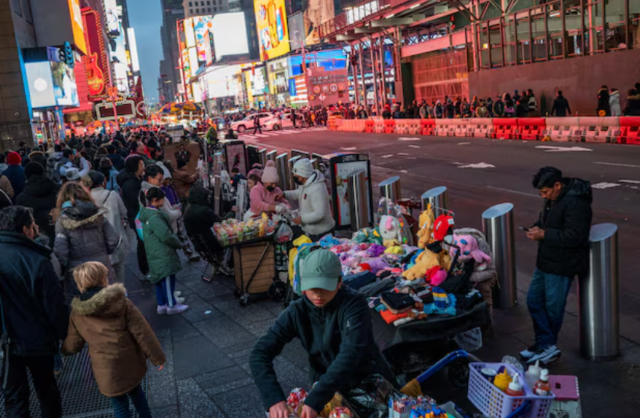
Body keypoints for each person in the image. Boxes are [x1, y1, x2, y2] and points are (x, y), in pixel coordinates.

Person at [250, 249, 397, 418]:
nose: (318, 294)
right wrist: (273, 398)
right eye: (312, 288)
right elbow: (259, 353)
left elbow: (351, 353)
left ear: (339, 282)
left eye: (325, 287)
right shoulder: (297, 311)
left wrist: (316, 398)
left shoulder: (355, 304)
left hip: (368, 382)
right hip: (327, 387)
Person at [61, 262, 165, 418]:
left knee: (119, 404)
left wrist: (63, 350)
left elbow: (74, 343)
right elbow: (142, 332)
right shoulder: (122, 302)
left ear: (80, 283)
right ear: (103, 279)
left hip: (105, 368)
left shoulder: (77, 312)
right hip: (129, 360)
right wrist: (157, 357)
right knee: (136, 392)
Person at [0, 206, 69, 418]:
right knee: (47, 391)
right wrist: (65, 335)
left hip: (5, 343)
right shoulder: (37, 260)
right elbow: (54, 305)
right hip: (37, 339)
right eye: (33, 224)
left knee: (15, 399)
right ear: (26, 230)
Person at [521, 167, 592, 365]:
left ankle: (546, 346)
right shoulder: (553, 199)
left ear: (557, 185)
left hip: (562, 264)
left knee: (553, 308)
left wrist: (544, 234)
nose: (544, 196)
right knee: (534, 301)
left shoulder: (576, 203)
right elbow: (547, 221)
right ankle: (544, 344)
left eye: (545, 192)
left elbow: (576, 236)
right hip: (545, 260)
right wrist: (537, 226)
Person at [53, 182, 120, 297]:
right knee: (108, 303)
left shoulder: (62, 221)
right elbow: (113, 239)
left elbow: (61, 252)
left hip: (79, 272)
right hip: (102, 266)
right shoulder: (99, 215)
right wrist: (103, 252)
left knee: (84, 307)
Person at [138, 187, 189, 315]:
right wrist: (177, 243)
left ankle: (162, 304)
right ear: (156, 200)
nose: (164, 201)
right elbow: (165, 235)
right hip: (162, 252)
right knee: (167, 277)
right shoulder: (155, 216)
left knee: (159, 279)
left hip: (154, 251)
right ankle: (171, 305)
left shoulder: (147, 214)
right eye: (162, 199)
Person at [87, 171, 130, 283]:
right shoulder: (112, 195)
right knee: (119, 269)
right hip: (116, 240)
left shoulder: (86, 199)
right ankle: (121, 294)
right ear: (103, 182)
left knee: (102, 275)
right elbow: (124, 213)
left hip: (97, 243)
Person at [156, 162, 199, 263]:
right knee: (172, 235)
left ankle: (189, 252)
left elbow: (174, 195)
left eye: (168, 179)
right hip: (169, 212)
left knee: (181, 233)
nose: (168, 181)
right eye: (166, 180)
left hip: (176, 209)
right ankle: (174, 256)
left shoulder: (169, 186)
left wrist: (177, 204)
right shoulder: (160, 189)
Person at [285, 159, 334, 241]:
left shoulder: (317, 189)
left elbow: (319, 213)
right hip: (310, 232)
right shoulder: (306, 184)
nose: (295, 178)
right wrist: (285, 194)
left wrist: (302, 219)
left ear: (303, 175)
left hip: (321, 235)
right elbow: (300, 194)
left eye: (296, 176)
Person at [117, 156, 148, 277]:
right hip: (137, 217)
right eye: (141, 165)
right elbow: (135, 202)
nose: (143, 167)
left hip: (138, 215)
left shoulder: (136, 179)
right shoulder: (130, 184)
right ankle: (145, 269)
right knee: (142, 243)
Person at [16, 162, 59, 244]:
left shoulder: (20, 198)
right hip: (60, 235)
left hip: (36, 241)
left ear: (26, 176)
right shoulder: (57, 191)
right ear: (43, 172)